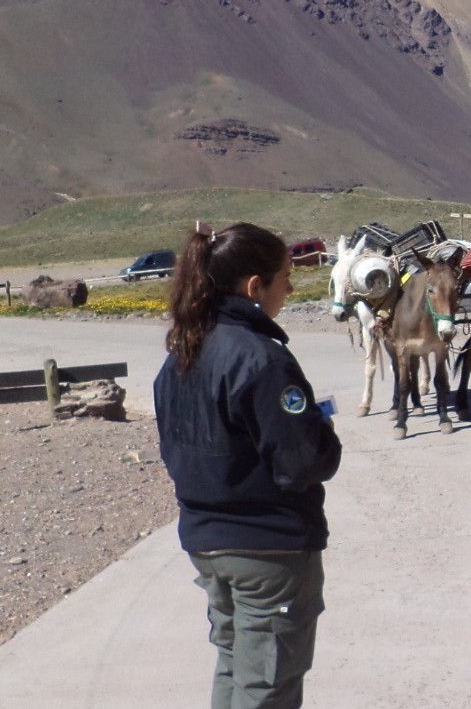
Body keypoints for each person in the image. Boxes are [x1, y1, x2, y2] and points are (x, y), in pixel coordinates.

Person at [154, 221, 343, 708]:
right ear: (254, 286)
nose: (291, 288)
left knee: (239, 667)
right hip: (267, 550)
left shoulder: (181, 352)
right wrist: (320, 427)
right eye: (285, 278)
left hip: (207, 540)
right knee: (268, 686)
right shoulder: (261, 359)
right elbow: (304, 462)